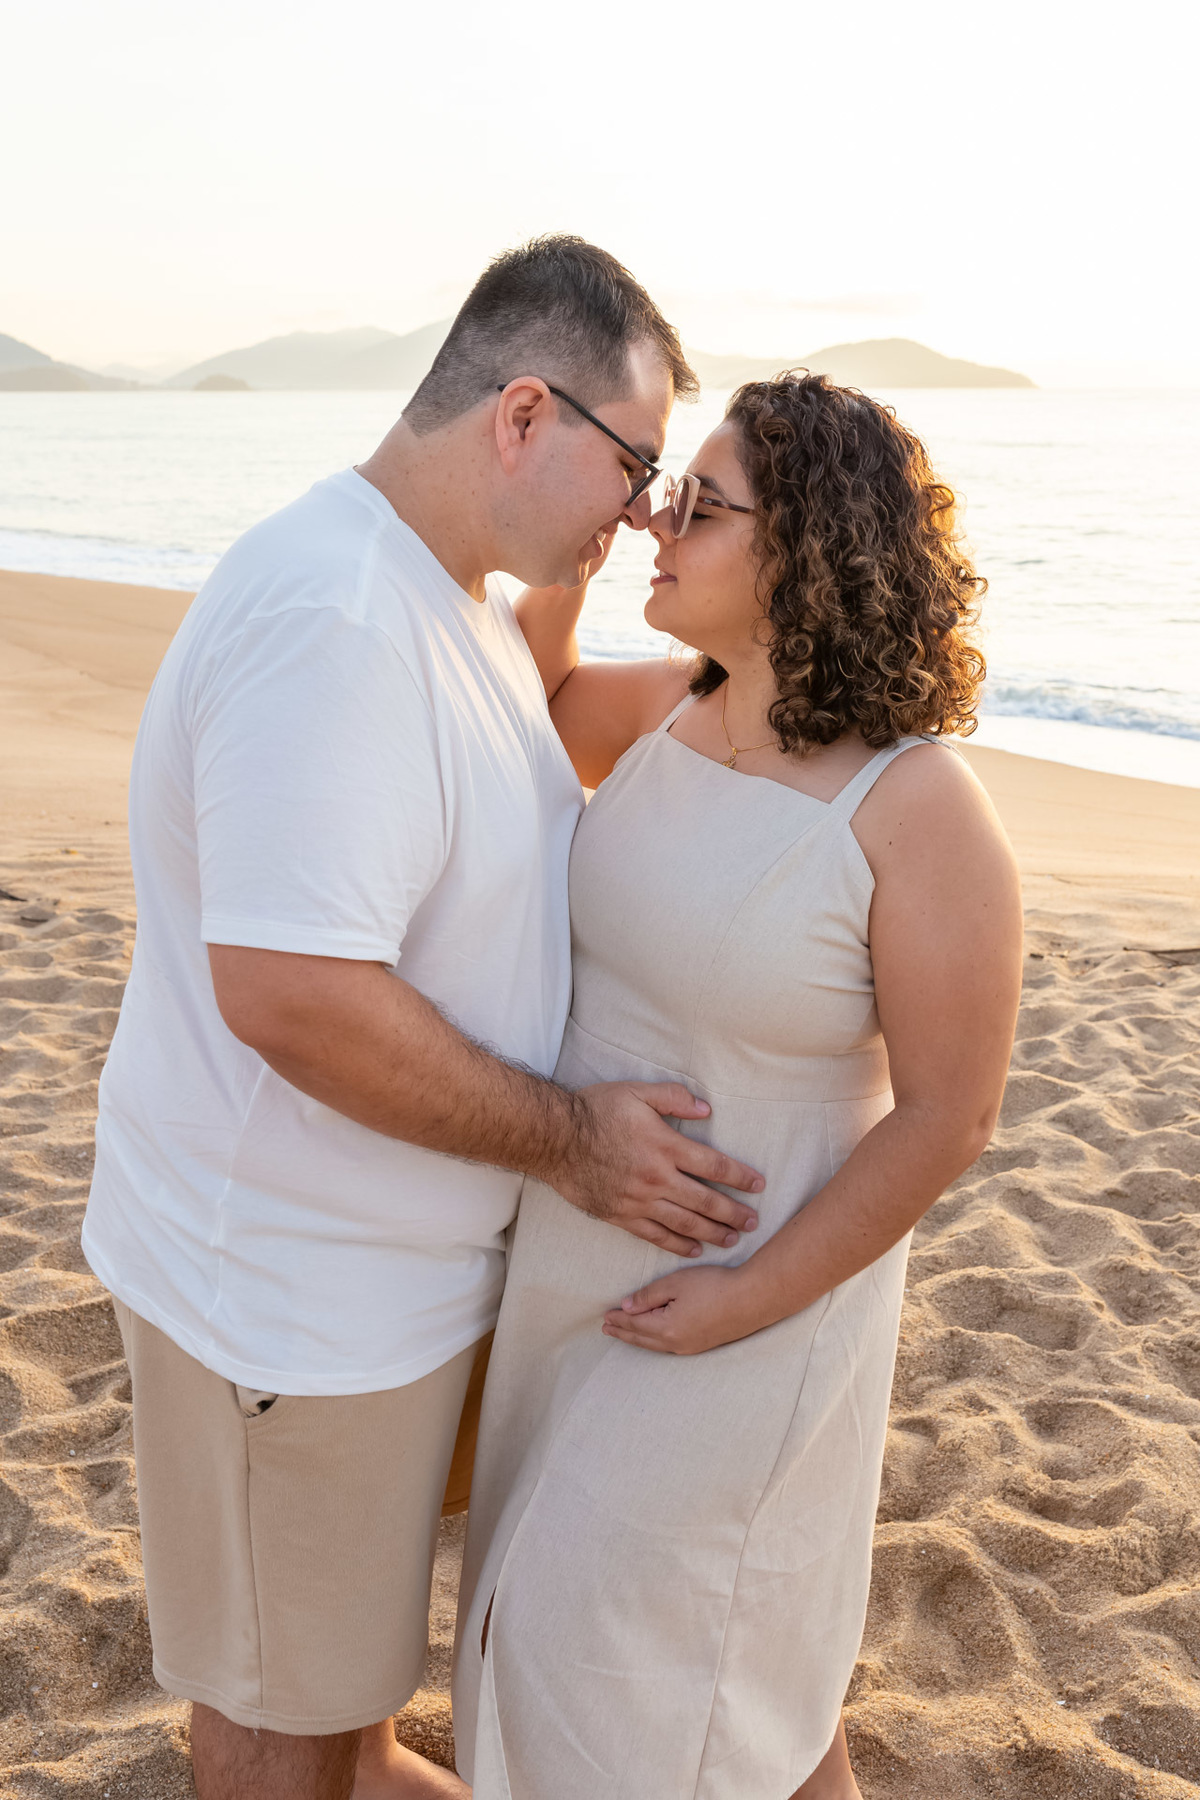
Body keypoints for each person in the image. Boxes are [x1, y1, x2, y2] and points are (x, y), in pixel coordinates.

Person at [81, 236, 766, 1800]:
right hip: (285, 1305)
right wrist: (572, 1140)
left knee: (342, 1719)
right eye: (637, 462)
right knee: (279, 1736)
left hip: (375, 1301)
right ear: (523, 415)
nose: (647, 508)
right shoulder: (335, 618)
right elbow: (293, 995)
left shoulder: (448, 592)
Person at [452, 372, 1024, 1799]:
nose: (660, 519)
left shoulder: (914, 806)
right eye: (667, 492)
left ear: (808, 550)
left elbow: (953, 1117)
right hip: (579, 1263)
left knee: (629, 1652)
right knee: (711, 1673)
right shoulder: (675, 709)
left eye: (699, 506)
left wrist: (747, 1300)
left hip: (756, 1300)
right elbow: (548, 700)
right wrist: (572, 563)